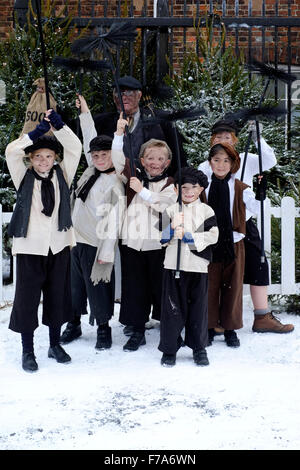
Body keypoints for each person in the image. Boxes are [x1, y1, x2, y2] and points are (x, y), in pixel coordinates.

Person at [199, 119, 294, 336]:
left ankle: (262, 317)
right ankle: (218, 319)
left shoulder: (247, 159)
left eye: (228, 137)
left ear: (235, 140)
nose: (224, 141)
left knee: (258, 265)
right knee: (219, 272)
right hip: (217, 226)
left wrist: (258, 138)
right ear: (212, 141)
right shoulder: (207, 165)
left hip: (244, 224)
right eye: (218, 137)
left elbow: (269, 160)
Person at [6, 109, 82, 372]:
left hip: (58, 245)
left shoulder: (64, 175)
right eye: (38, 157)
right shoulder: (22, 177)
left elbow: (76, 148)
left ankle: (54, 344)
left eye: (48, 156)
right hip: (30, 247)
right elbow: (10, 151)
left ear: (55, 158)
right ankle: (28, 350)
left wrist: (59, 128)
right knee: (27, 299)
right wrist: (36, 133)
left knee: (58, 297)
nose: (43, 161)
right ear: (31, 159)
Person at [111, 113, 177, 351]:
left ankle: (166, 325)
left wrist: (143, 191)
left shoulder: (170, 183)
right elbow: (118, 161)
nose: (154, 162)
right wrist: (119, 134)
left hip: (157, 245)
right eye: (149, 157)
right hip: (132, 243)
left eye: (160, 158)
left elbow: (163, 204)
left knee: (159, 286)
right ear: (142, 159)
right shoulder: (133, 175)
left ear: (167, 162)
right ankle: (136, 328)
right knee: (134, 287)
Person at [59, 120, 125, 350]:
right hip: (74, 239)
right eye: (95, 155)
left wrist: (107, 251)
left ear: (113, 155)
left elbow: (115, 220)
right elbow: (89, 136)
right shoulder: (90, 171)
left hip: (96, 242)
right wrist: (84, 112)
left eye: (104, 155)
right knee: (73, 286)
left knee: (98, 287)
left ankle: (103, 328)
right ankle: (73, 323)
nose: (98, 159)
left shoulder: (116, 181)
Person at [202, 143, 262, 347]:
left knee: (233, 286)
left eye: (226, 160)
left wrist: (261, 194)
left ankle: (230, 328)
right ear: (210, 162)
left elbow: (254, 208)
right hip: (209, 243)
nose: (220, 165)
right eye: (216, 160)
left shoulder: (239, 187)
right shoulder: (204, 185)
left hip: (233, 243)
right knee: (209, 286)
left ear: (233, 164)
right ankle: (209, 326)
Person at [158, 167, 219, 367]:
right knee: (172, 309)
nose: (189, 192)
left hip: (197, 266)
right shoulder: (170, 210)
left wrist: (188, 236)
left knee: (198, 309)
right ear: (176, 189)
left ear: (201, 189)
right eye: (184, 188)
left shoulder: (206, 211)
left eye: (193, 188)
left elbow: (212, 235)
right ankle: (169, 348)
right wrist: (171, 228)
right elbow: (162, 238)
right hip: (173, 266)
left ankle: (199, 347)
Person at [91, 75, 188, 177]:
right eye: (118, 92)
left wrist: (180, 181)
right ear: (114, 97)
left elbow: (178, 156)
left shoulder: (160, 119)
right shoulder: (101, 122)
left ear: (139, 95)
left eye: (129, 93)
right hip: (116, 183)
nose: (123, 97)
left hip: (151, 184)